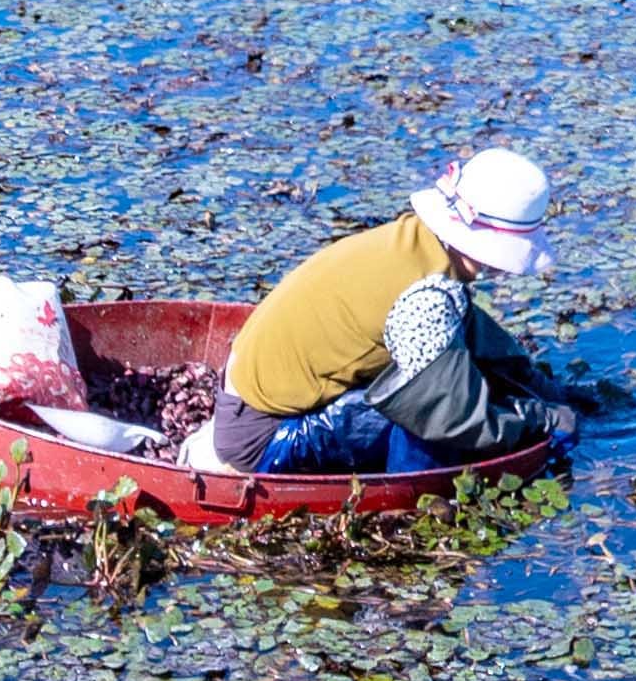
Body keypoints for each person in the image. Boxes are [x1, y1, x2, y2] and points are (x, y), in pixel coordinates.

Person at [205, 147, 581, 477]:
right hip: (260, 442)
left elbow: (472, 332)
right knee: (424, 415)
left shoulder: (414, 244)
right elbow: (448, 418)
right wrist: (540, 421)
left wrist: (546, 391)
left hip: (242, 408)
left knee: (441, 384)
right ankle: (409, 500)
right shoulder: (426, 299)